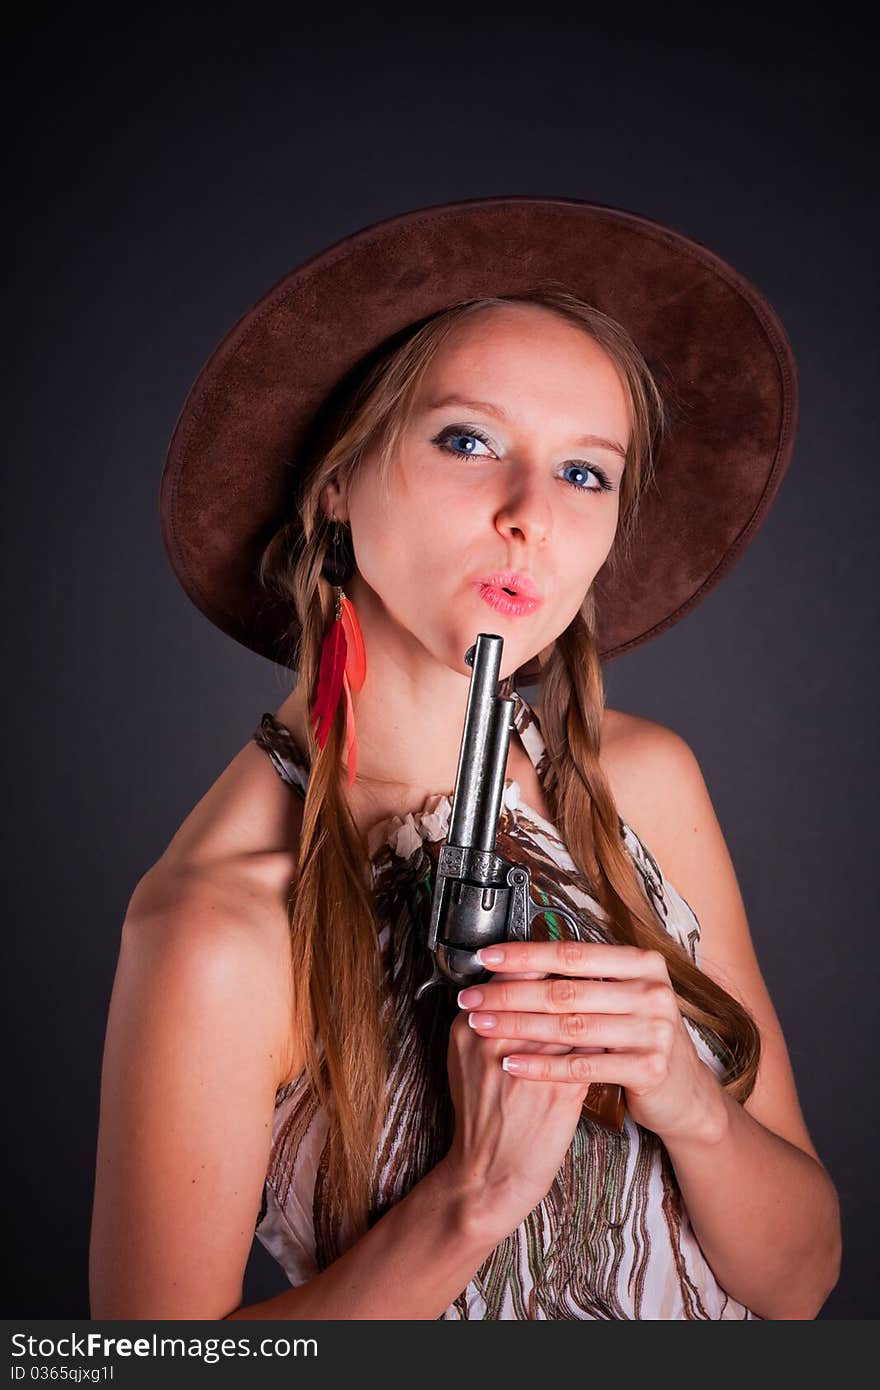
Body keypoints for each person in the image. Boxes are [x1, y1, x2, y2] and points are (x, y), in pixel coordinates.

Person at [89, 196, 842, 1320]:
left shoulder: (642, 784)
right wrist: (471, 1199)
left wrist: (688, 1100)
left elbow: (802, 1279)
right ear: (336, 483)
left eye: (585, 472)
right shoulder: (222, 928)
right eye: (467, 440)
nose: (528, 514)